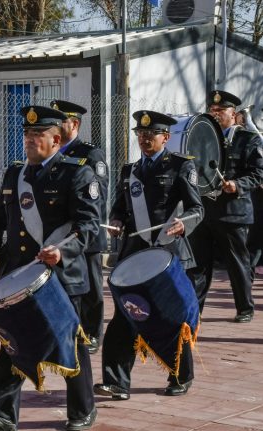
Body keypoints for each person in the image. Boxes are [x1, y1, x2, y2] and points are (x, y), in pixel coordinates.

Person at [0, 106, 100, 431]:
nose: (29, 140)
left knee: (71, 344)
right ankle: (1, 416)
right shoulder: (16, 174)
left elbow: (89, 225)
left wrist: (63, 250)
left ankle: (82, 411)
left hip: (60, 277)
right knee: (11, 343)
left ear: (56, 139)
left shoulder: (77, 173)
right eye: (27, 134)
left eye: (37, 134)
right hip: (19, 276)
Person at [94, 110, 203, 400]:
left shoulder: (181, 166)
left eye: (150, 134)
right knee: (124, 317)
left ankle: (180, 376)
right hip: (135, 254)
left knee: (171, 318)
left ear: (165, 137)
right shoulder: (130, 170)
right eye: (140, 134)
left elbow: (196, 209)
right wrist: (116, 221)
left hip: (168, 254)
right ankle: (116, 381)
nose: (144, 139)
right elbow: (119, 207)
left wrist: (184, 224)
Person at [186, 90, 263, 323]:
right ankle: (194, 310)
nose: (216, 114)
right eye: (212, 110)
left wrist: (237, 185)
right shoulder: (203, 137)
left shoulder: (248, 139)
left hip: (233, 211)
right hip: (205, 210)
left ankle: (245, 308)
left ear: (234, 114)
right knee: (198, 265)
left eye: (221, 111)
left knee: (237, 263)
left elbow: (258, 173)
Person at [51, 99, 108, 354]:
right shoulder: (52, 152)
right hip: (61, 235)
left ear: (74, 124)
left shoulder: (90, 154)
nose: (54, 126)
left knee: (92, 287)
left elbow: (99, 194)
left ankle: (93, 333)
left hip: (87, 233)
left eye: (59, 120)